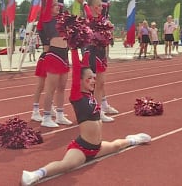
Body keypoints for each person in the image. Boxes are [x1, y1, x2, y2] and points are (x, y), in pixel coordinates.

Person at [21, 48, 151, 186]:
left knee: (116, 146)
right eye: (89, 78)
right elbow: (77, 68)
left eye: (94, 78)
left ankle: (133, 139)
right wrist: (75, 49)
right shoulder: (77, 96)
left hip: (97, 147)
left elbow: (87, 62)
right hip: (82, 148)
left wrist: (89, 49)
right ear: (79, 80)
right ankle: (35, 174)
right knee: (66, 165)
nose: (93, 81)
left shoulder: (91, 95)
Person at [75, 0, 119, 122]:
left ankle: (98, 110)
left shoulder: (102, 18)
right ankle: (93, 110)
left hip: (101, 52)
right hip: (91, 52)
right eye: (99, 6)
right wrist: (83, 1)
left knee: (100, 83)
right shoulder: (89, 16)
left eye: (101, 6)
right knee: (92, 84)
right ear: (93, 7)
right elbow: (88, 4)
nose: (101, 7)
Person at [35, 0, 72, 128]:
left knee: (62, 87)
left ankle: (60, 114)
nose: (57, 6)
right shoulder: (46, 17)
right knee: (50, 88)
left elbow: (61, 0)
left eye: (58, 5)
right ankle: (46, 117)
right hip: (54, 54)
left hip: (64, 54)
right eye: (54, 5)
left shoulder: (61, 18)